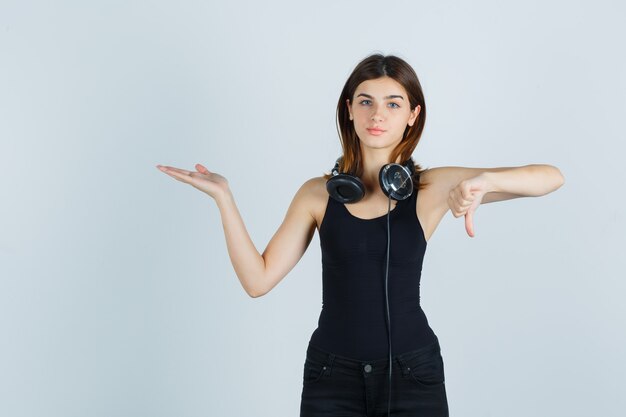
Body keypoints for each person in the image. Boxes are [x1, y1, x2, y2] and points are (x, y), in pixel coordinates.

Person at [156, 53, 565, 417]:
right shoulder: (317, 194)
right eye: (366, 101)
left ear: (412, 115)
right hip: (331, 377)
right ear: (349, 109)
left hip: (413, 374)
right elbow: (257, 280)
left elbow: (551, 178)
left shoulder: (431, 189)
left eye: (393, 103)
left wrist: (483, 181)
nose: (377, 115)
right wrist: (224, 198)